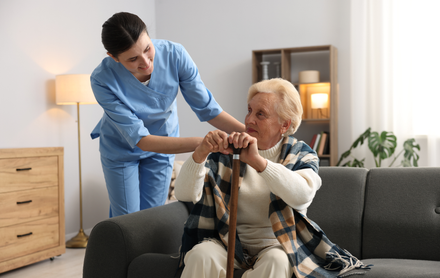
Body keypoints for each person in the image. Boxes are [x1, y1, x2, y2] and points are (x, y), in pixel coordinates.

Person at [174, 78, 369, 278]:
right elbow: (184, 194)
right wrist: (201, 153)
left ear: (284, 125)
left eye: (261, 114)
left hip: (277, 244)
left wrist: (258, 162)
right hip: (227, 242)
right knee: (201, 254)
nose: (249, 120)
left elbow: (302, 195)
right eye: (249, 110)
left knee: (277, 261)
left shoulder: (302, 154)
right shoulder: (228, 151)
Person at [90, 12, 244, 218]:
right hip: (121, 150)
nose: (145, 62)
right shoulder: (102, 79)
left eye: (147, 49)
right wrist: (205, 143)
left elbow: (208, 109)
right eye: (133, 59)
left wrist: (251, 134)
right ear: (113, 57)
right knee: (126, 220)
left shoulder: (175, 55)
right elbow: (142, 141)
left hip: (163, 145)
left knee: (152, 217)